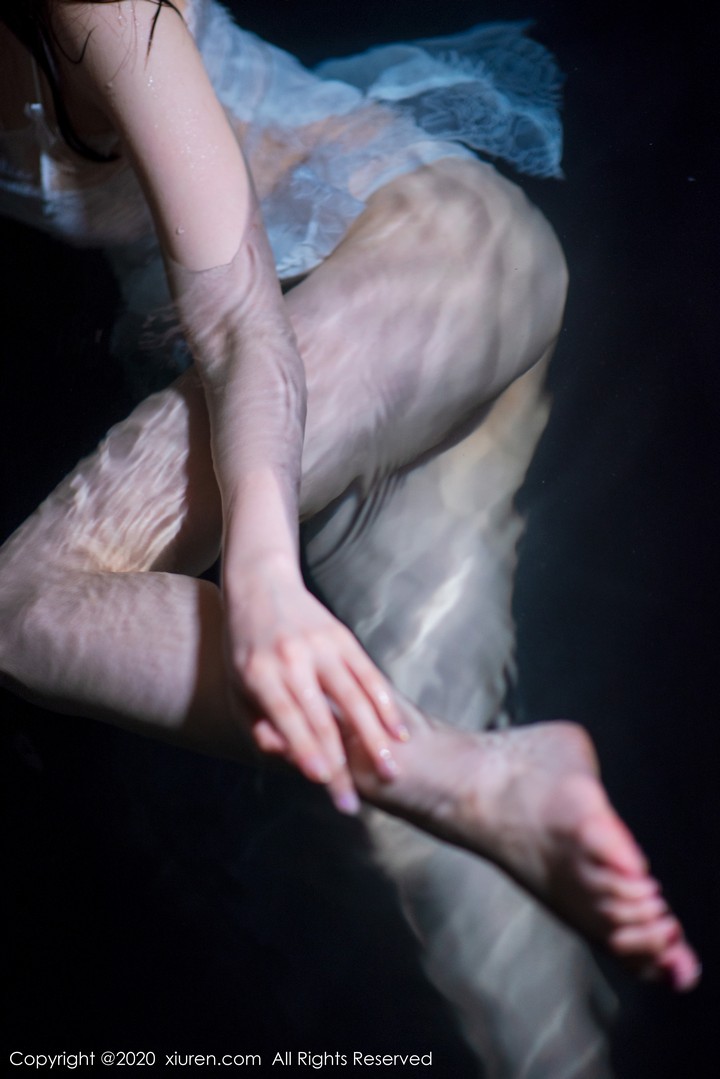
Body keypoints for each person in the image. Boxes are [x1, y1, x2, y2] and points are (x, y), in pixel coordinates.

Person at [0, 0, 700, 1071]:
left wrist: (266, 580)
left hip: (417, 272)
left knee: (25, 601)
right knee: (450, 853)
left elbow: (240, 327)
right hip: (357, 342)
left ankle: (482, 779)